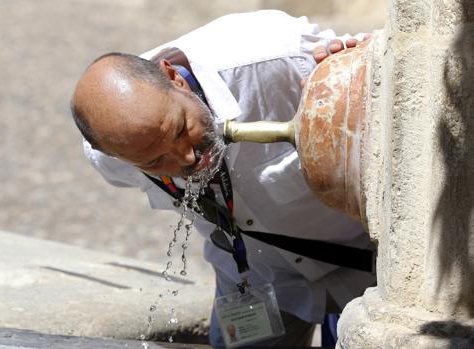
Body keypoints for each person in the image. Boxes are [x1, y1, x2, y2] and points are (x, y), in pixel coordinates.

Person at [71, 10, 375, 347]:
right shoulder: (110, 158)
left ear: (173, 77)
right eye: (156, 161)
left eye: (180, 129)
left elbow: (385, 63)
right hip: (259, 283)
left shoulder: (274, 57)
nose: (186, 157)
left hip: (367, 271)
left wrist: (356, 67)